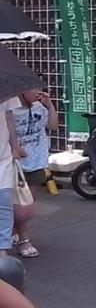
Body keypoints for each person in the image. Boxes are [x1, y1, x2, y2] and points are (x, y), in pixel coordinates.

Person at [10, 87, 58, 258]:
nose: (38, 92)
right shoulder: (11, 109)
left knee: (28, 202)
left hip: (37, 161)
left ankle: (14, 231)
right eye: (34, 89)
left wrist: (50, 105)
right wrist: (14, 147)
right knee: (21, 204)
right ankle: (24, 239)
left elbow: (53, 126)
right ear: (21, 90)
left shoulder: (39, 107)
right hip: (16, 163)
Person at [0, 97, 21, 257]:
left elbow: (9, 117)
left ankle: (2, 251)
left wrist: (15, 146)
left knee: (4, 205)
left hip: (3, 158)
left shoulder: (4, 85)